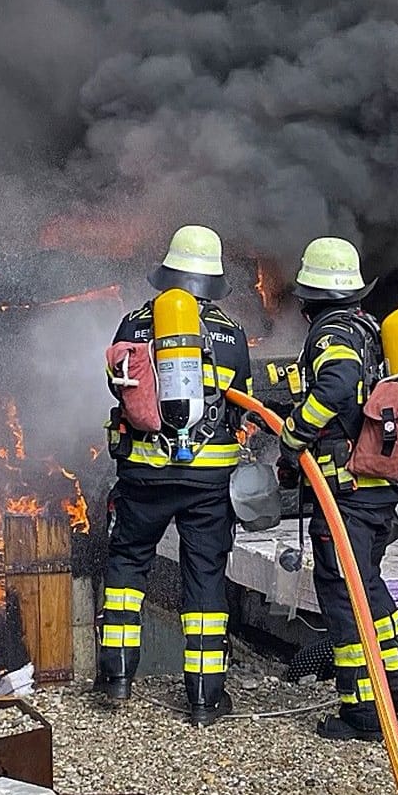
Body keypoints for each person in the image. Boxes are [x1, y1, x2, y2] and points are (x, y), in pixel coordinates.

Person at [98, 224, 253, 727]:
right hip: (208, 483)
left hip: (144, 475)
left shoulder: (134, 323)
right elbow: (243, 403)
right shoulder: (230, 332)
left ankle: (117, 678)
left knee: (127, 565)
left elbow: (118, 388)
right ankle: (205, 699)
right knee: (204, 577)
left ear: (168, 272)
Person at [277, 236, 398, 742]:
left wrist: (293, 435)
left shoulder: (331, 332)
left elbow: (337, 385)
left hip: (347, 493)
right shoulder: (368, 328)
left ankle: (364, 710)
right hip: (377, 485)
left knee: (342, 593)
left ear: (310, 297)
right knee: (368, 584)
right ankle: (397, 686)